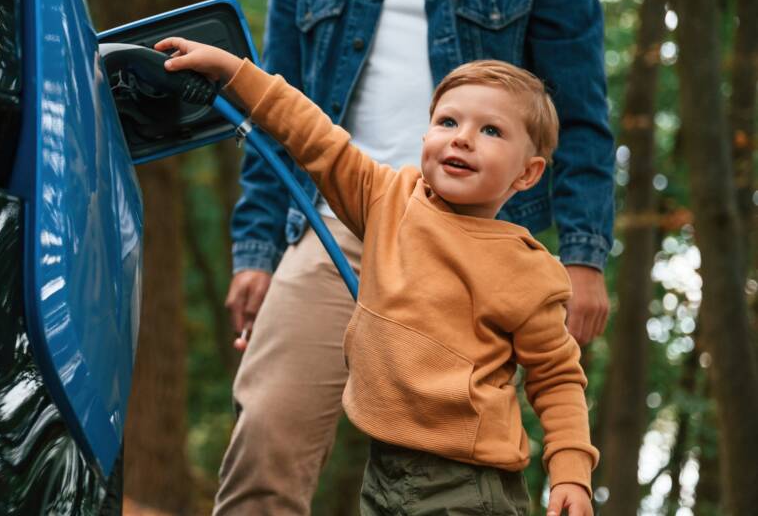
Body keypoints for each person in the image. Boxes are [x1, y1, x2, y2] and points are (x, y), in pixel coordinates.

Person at [220, 0, 614, 512]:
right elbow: (285, 122)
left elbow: (578, 109)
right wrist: (257, 250)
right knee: (267, 430)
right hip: (340, 218)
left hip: (476, 241)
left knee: (448, 467)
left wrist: (583, 253)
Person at [157, 36, 599, 516]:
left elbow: (556, 378)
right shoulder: (388, 200)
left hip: (469, 485)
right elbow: (314, 135)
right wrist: (233, 71)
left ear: (528, 174)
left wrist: (571, 472)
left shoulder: (527, 270)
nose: (462, 137)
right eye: (447, 121)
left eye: (491, 131)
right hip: (386, 472)